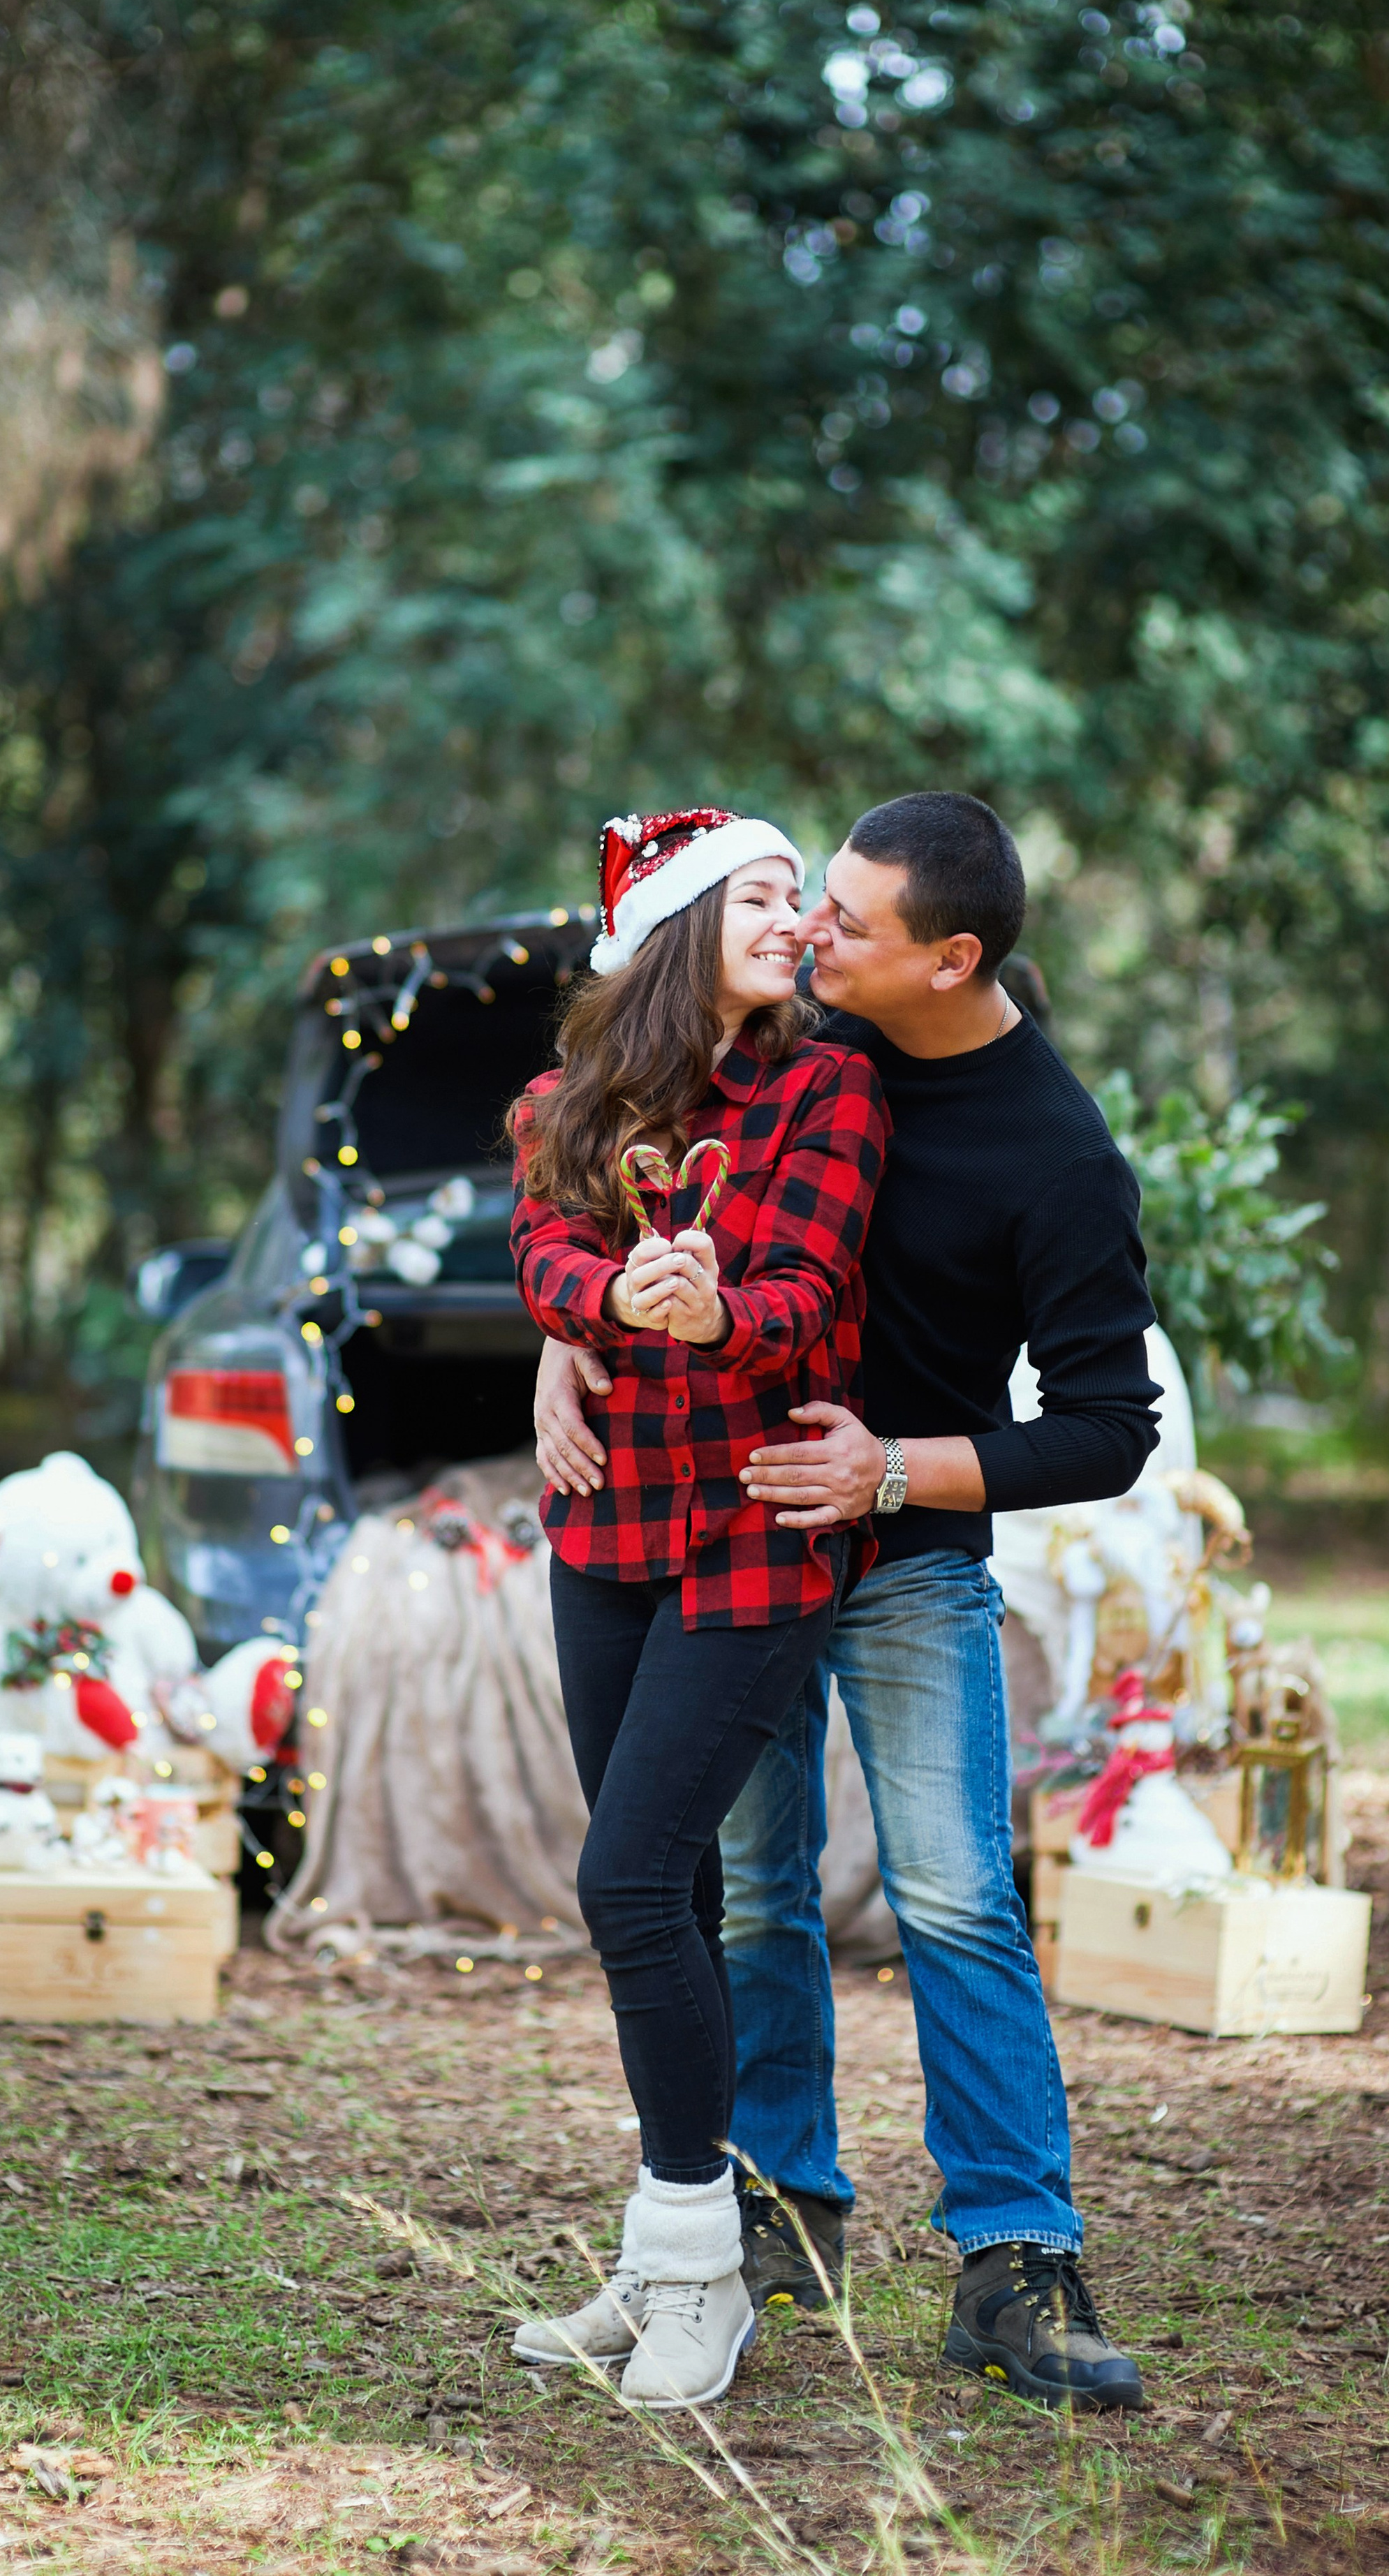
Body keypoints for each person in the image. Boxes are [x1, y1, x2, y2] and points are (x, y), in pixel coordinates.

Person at [534, 792, 1159, 2413]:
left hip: (895, 1550)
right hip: (721, 1543)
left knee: (953, 1895)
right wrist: (571, 1327)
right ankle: (772, 2209)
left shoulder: (1056, 1153)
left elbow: (1105, 1429)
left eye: (849, 924)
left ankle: (1014, 2254)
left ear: (949, 960)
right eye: (810, 903)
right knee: (742, 1890)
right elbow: (612, 1172)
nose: (812, 933)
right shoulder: (806, 1047)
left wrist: (894, 1472)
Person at [506, 805, 888, 2411]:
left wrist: (716, 1308)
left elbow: (806, 1290)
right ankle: (679, 2238)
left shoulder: (826, 1086)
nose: (793, 915)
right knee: (653, 1900)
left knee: (631, 1880)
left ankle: (699, 2272)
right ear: (670, 921)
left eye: (800, 894)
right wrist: (593, 1305)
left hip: (751, 1533)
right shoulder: (562, 1102)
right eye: (760, 891)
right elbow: (536, 1248)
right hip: (603, 1533)